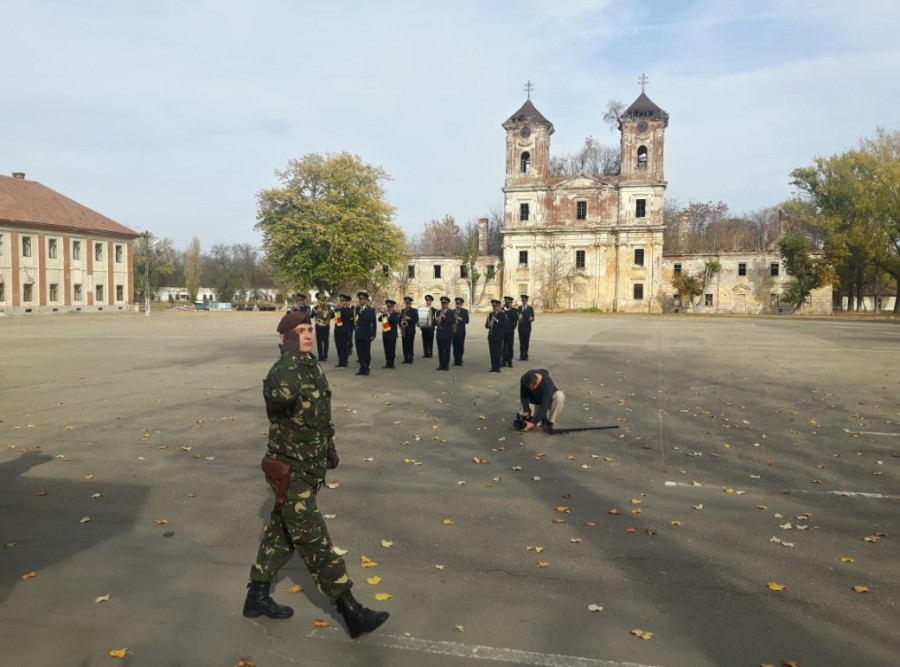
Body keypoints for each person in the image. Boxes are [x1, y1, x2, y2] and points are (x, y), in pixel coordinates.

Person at [243, 310, 389, 638]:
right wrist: (288, 358)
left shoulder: (313, 367)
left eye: (309, 329)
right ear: (284, 338)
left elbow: (322, 415)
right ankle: (350, 610)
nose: (308, 335)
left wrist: (330, 447)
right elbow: (277, 399)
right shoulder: (284, 370)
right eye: (299, 331)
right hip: (290, 471)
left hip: (310, 467)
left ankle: (256, 597)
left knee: (281, 533)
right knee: (315, 541)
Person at [519, 369, 565, 434]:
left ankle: (550, 422)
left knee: (559, 396)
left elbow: (544, 406)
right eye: (529, 388)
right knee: (523, 416)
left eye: (533, 387)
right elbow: (524, 396)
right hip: (535, 402)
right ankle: (541, 418)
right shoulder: (524, 379)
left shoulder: (547, 383)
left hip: (548, 401)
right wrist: (526, 409)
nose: (531, 390)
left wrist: (533, 423)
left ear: (537, 381)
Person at [354, 291, 376, 376]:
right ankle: (361, 368)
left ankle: (367, 368)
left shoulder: (371, 310)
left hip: (367, 333)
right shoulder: (356, 309)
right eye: (360, 299)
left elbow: (373, 323)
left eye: (363, 299)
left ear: (366, 300)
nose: (361, 301)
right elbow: (355, 321)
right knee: (359, 352)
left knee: (366, 352)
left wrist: (373, 334)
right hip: (358, 333)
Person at [433, 296, 456, 371]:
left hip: (447, 334)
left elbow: (452, 321)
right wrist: (436, 321)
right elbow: (434, 323)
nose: (443, 305)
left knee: (447, 350)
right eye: (442, 303)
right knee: (440, 350)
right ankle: (441, 364)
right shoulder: (437, 312)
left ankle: (446, 365)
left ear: (448, 304)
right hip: (439, 334)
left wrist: (444, 317)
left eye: (445, 303)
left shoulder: (451, 312)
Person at [332, 294, 354, 367]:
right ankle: (340, 361)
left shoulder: (348, 309)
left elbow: (345, 316)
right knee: (338, 346)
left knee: (344, 346)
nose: (342, 302)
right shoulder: (337, 309)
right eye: (341, 300)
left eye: (343, 301)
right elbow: (332, 316)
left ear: (346, 302)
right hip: (337, 330)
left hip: (345, 330)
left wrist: (340, 308)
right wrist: (335, 309)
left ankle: (345, 361)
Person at [485, 298, 506, 373]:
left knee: (498, 352)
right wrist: (489, 324)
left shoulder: (502, 314)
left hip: (499, 336)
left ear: (499, 306)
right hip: (491, 336)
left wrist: (496, 320)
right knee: (492, 352)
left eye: (496, 306)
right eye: (493, 306)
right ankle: (493, 366)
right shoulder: (490, 314)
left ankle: (498, 367)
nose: (494, 308)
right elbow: (486, 325)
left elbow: (505, 324)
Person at [312, 292, 334, 362]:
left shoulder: (328, 307)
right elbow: (311, 316)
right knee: (319, 341)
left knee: (325, 341)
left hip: (325, 326)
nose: (320, 300)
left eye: (321, 298)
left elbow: (333, 315)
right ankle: (320, 356)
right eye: (319, 298)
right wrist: (317, 312)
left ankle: (325, 356)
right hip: (318, 326)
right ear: (317, 299)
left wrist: (326, 314)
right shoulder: (315, 308)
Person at [379, 299, 400, 369]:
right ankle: (387, 363)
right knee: (386, 349)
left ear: (393, 307)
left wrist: (388, 315)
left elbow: (395, 321)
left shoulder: (396, 314)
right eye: (388, 307)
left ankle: (392, 363)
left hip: (392, 335)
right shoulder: (385, 314)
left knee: (392, 349)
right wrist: (383, 314)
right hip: (385, 334)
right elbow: (379, 319)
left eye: (390, 307)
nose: (389, 308)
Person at [501, 296, 519, 368]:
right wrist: (504, 310)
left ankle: (509, 361)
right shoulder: (502, 310)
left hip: (510, 331)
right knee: (503, 347)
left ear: (512, 303)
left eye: (509, 302)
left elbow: (515, 319)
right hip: (503, 331)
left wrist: (509, 310)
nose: (508, 304)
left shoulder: (515, 310)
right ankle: (503, 361)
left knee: (510, 347)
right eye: (506, 302)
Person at [399, 296, 419, 364]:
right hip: (404, 330)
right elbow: (400, 320)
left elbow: (416, 320)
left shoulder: (414, 311)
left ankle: (410, 358)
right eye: (406, 303)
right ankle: (405, 358)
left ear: (411, 303)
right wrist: (401, 326)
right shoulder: (402, 310)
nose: (407, 305)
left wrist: (409, 318)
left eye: (408, 303)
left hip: (411, 330)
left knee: (410, 344)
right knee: (404, 345)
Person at [451, 297, 470, 366]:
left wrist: (460, 318)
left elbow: (467, 321)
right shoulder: (452, 311)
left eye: (459, 304)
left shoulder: (464, 311)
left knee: (460, 346)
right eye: (457, 304)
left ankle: (460, 360)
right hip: (454, 332)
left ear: (462, 305)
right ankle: (456, 360)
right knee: (455, 346)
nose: (458, 305)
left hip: (461, 332)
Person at [517, 294, 535, 361]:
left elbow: (533, 318)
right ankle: (521, 355)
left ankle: (526, 355)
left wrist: (531, 319)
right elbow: (517, 317)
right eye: (523, 301)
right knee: (521, 342)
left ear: (527, 301)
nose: (524, 302)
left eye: (525, 301)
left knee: (526, 342)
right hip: (521, 327)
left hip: (527, 327)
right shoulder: (519, 308)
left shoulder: (530, 308)